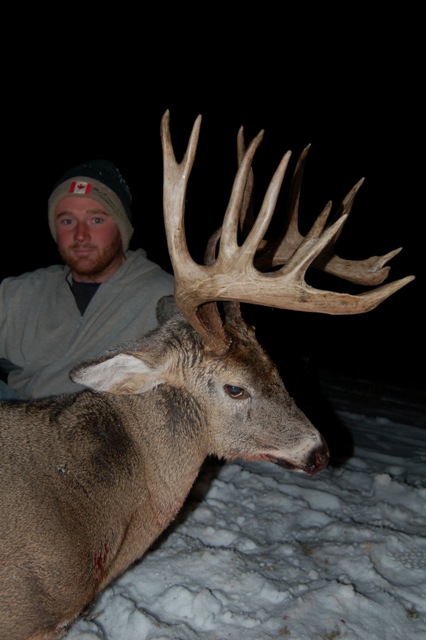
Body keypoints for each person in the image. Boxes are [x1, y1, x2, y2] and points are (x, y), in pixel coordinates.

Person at [0, 159, 174, 400]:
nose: (80, 235)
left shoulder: (167, 295)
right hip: (23, 415)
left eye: (96, 220)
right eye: (67, 221)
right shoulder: (18, 294)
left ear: (121, 227)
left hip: (108, 421)